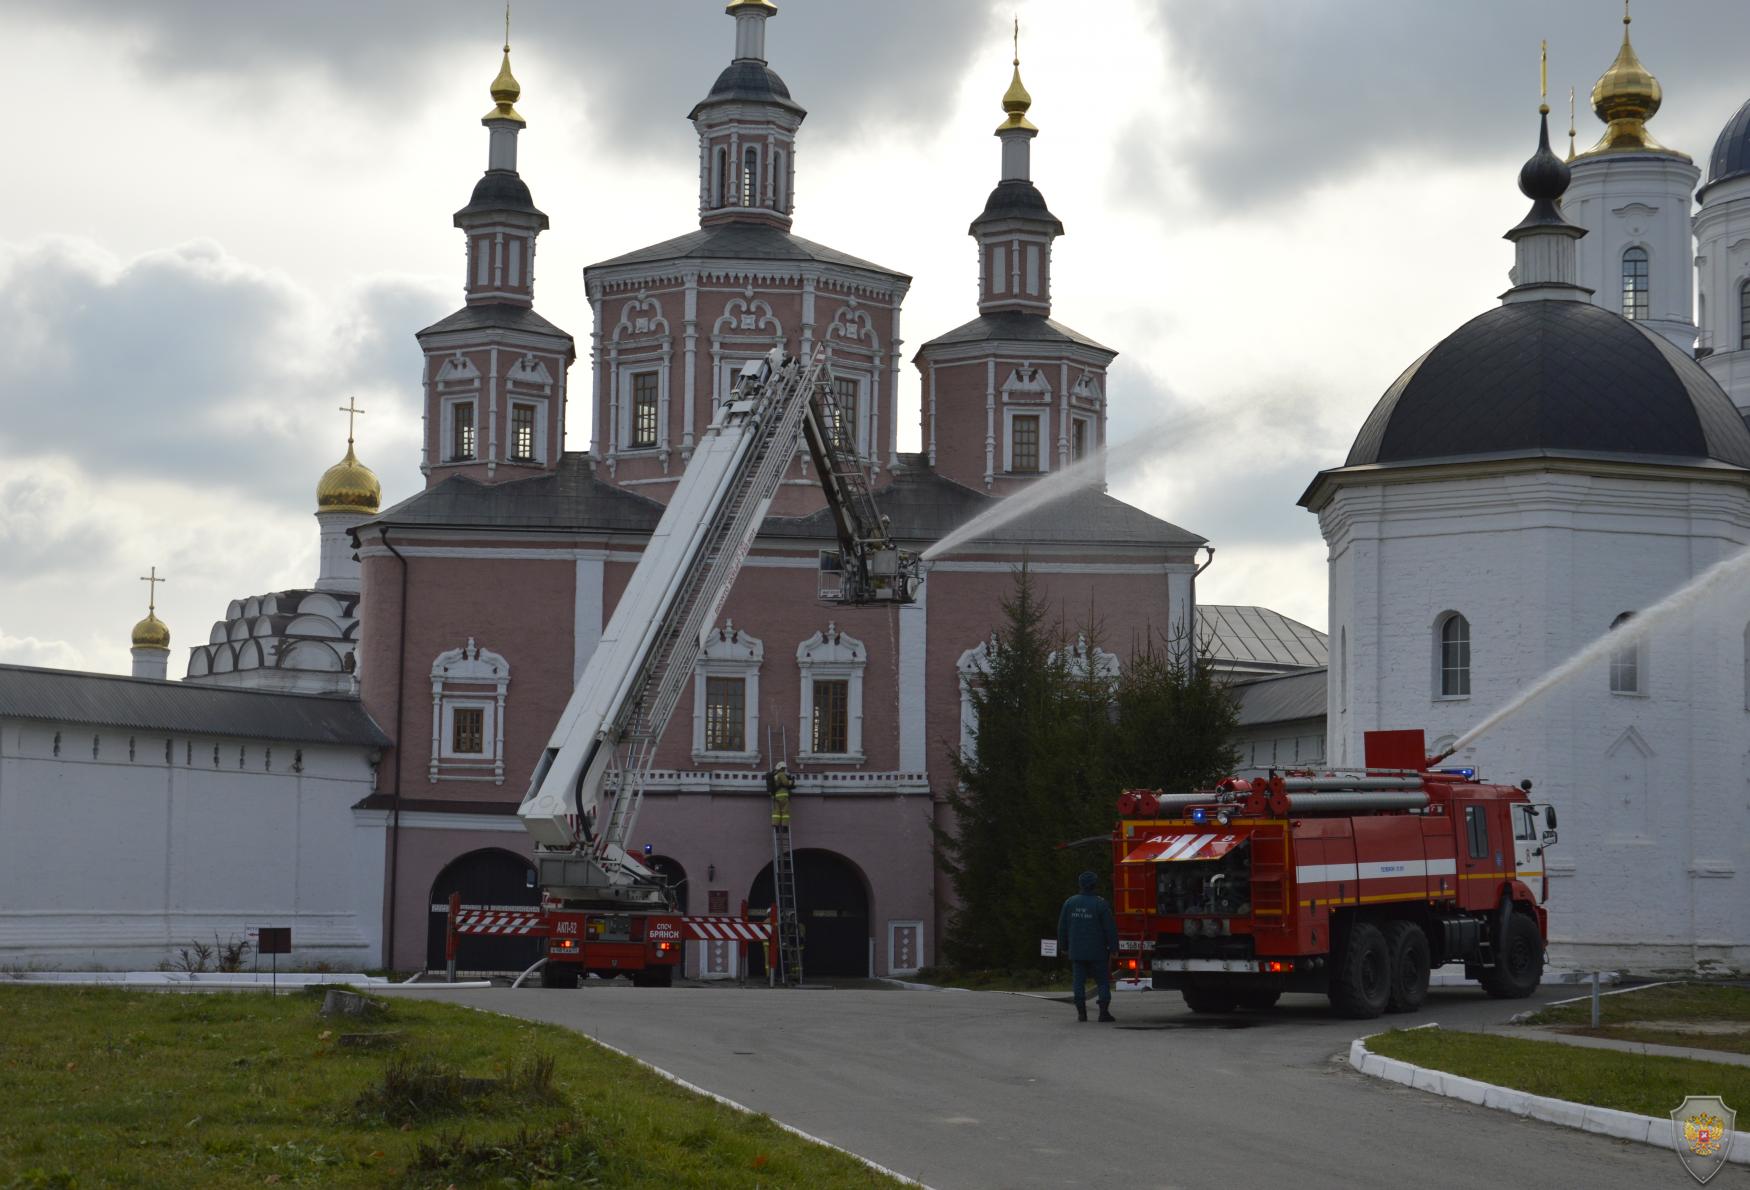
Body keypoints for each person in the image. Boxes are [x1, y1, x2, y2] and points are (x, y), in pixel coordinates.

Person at [1057, 870, 1118, 1022]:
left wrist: (1063, 946)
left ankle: (1081, 1013)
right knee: (1103, 981)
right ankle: (1103, 1013)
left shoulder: (1070, 903)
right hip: (1098, 952)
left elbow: (1062, 927)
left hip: (1077, 951)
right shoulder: (1100, 904)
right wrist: (1114, 948)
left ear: (1080, 885)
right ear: (1094, 885)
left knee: (1078, 982)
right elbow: (1110, 929)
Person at [766, 761, 794, 826]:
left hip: (776, 795)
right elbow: (785, 783)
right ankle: (784, 825)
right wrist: (791, 782)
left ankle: (775, 823)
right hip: (783, 794)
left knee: (776, 811)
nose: (784, 769)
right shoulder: (781, 774)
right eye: (783, 768)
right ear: (781, 768)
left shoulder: (775, 775)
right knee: (785, 811)